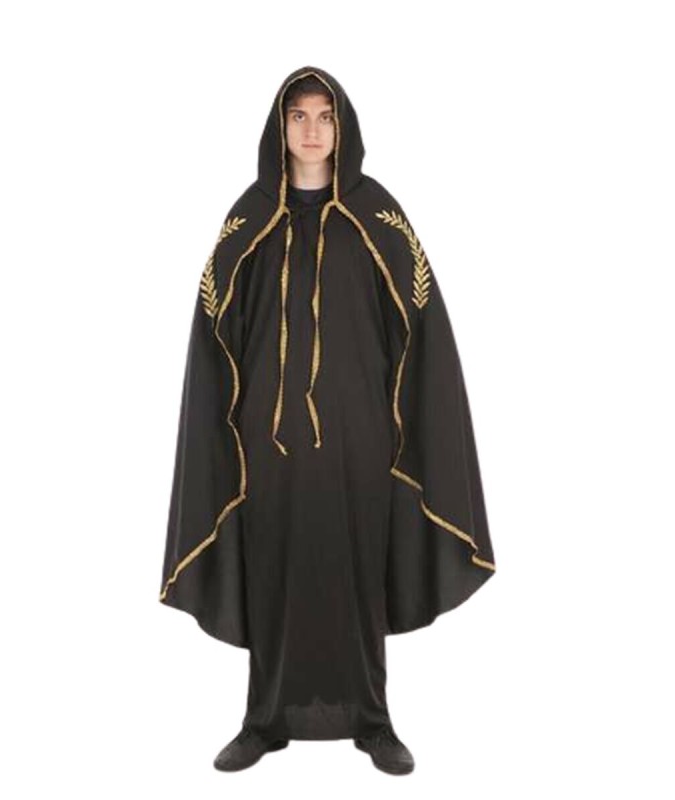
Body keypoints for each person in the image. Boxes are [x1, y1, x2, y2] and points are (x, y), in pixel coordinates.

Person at [159, 65, 496, 775]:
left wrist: (401, 419)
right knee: (272, 568)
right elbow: (213, 330)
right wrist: (230, 422)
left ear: (343, 128)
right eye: (299, 116)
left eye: (324, 117)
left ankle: (373, 721)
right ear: (279, 128)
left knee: (356, 568)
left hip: (360, 435)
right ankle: (264, 721)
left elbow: (420, 324)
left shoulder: (377, 216)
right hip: (267, 442)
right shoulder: (249, 218)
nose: (311, 130)